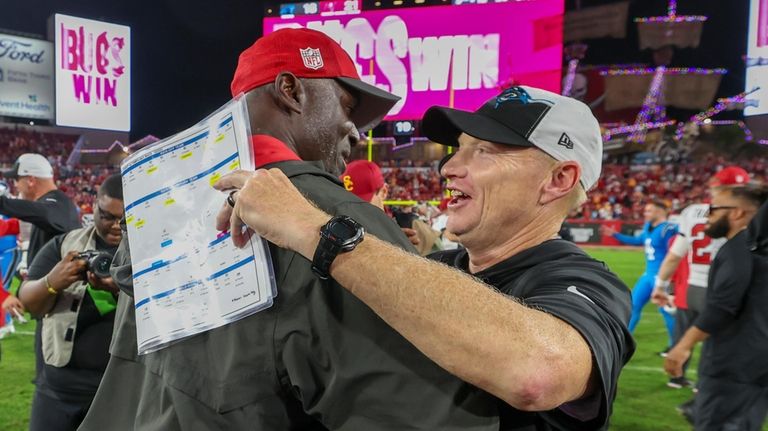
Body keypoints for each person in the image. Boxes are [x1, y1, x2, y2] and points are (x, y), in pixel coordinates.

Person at [81, 28, 500, 430]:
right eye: (346, 106)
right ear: (290, 90)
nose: (355, 130)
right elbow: (420, 414)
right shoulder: (337, 219)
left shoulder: (158, 205)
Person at [216, 85, 635, 429]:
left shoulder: (586, 283)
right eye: (459, 148)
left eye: (484, 151)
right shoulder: (432, 269)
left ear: (558, 180)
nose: (449, 167)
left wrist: (314, 229)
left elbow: (538, 373)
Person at [17, 174, 123, 431]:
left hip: (119, 391)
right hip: (58, 390)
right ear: (94, 206)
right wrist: (53, 281)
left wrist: (122, 291)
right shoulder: (65, 245)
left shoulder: (150, 253)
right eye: (107, 216)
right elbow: (28, 301)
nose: (116, 226)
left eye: (125, 220)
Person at [664, 183, 768, 431]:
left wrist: (682, 346)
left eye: (713, 208)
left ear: (737, 213)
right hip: (756, 361)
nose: (706, 214)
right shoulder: (758, 249)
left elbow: (723, 306)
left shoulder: (739, 248)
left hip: (732, 363)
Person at [651, 166, 750, 391]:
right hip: (719, 289)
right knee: (716, 343)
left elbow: (674, 256)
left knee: (684, 334)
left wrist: (661, 285)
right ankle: (703, 391)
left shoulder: (692, 212)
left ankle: (676, 378)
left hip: (691, 288)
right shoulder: (741, 213)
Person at [0, 153, 80, 386]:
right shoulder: (51, 207)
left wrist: (4, 203)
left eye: (18, 180)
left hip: (60, 316)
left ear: (31, 180)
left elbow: (49, 215)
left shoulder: (57, 204)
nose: (16, 186)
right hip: (49, 308)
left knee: (51, 388)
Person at [604, 200, 678, 345]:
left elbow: (674, 254)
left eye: (649, 210)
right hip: (648, 275)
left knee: (666, 311)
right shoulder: (648, 227)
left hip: (662, 276)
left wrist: (672, 279)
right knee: (633, 305)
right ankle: (622, 341)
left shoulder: (668, 229)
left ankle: (673, 345)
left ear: (660, 211)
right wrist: (616, 235)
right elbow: (639, 241)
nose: (645, 213)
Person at [341, 159, 439, 254]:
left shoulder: (412, 227)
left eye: (362, 202)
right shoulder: (341, 231)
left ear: (384, 192)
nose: (356, 210)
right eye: (349, 204)